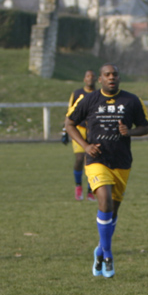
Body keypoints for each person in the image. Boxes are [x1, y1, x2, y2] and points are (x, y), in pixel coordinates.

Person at [65, 63, 148, 278]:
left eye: (114, 74)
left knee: (113, 212)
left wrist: (130, 132)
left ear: (118, 78)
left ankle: (99, 250)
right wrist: (85, 146)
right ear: (100, 79)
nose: (111, 77)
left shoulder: (131, 100)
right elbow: (69, 123)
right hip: (97, 159)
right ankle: (108, 254)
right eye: (107, 75)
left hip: (121, 161)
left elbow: (146, 127)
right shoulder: (89, 100)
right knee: (104, 201)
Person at [62, 69, 97, 201]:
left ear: (96, 79)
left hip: (93, 130)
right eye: (88, 76)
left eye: (92, 76)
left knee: (90, 159)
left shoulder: (99, 94)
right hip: (79, 129)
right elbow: (69, 113)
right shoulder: (77, 94)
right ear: (84, 79)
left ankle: (90, 190)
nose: (90, 78)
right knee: (79, 158)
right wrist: (65, 131)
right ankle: (78, 186)